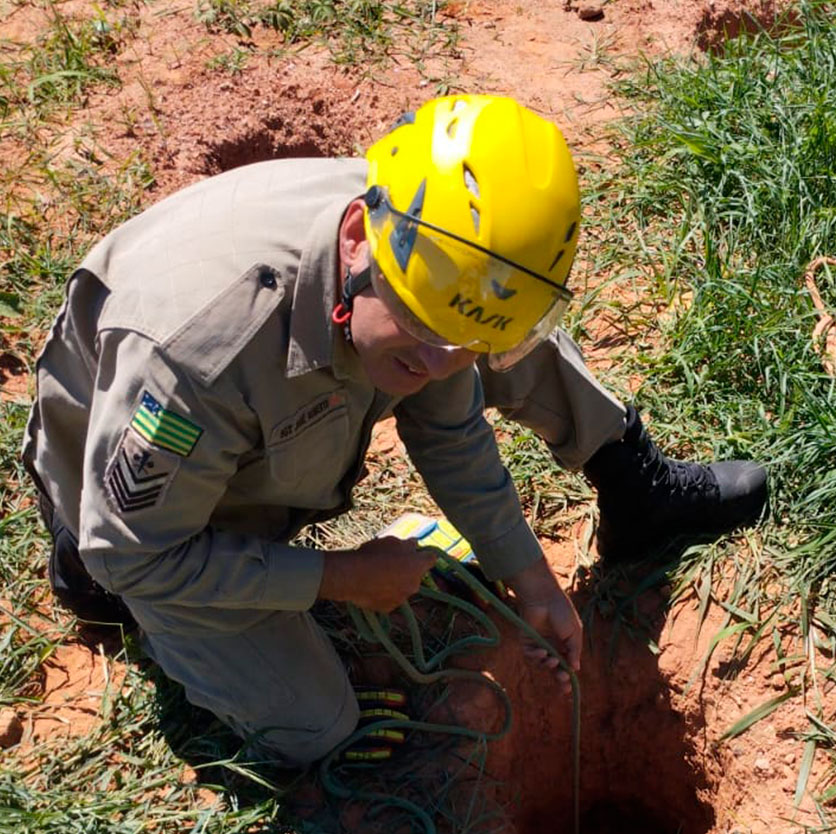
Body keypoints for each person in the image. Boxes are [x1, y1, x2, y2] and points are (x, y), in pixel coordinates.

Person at [21, 95, 768, 766]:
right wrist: (340, 578)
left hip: (273, 395)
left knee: (491, 320)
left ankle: (633, 483)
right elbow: (134, 552)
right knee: (312, 727)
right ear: (357, 240)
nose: (447, 365)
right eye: (423, 330)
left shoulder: (439, 243)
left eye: (464, 348)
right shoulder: (195, 356)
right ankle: (109, 596)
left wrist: (528, 574)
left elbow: (450, 427)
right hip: (140, 517)